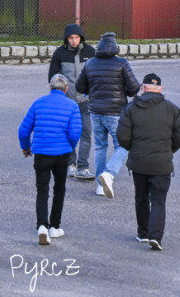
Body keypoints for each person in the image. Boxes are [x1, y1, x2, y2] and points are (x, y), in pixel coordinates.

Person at [117, 73, 180, 251]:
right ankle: (156, 236)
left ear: (143, 88)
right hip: (162, 163)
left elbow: (122, 137)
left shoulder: (131, 108)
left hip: (138, 162)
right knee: (158, 200)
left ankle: (143, 233)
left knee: (141, 198)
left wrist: (133, 149)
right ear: (160, 90)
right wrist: (169, 149)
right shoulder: (172, 109)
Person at [18, 74, 81, 245]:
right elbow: (75, 133)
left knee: (42, 189)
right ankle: (54, 227)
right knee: (59, 189)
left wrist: (26, 147)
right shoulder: (72, 106)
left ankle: (42, 227)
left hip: (41, 153)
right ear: (66, 89)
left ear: (50, 87)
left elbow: (23, 130)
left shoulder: (38, 103)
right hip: (62, 154)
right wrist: (69, 146)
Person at [76, 32, 140, 198]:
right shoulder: (121, 63)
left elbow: (80, 87)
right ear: (115, 47)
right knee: (124, 145)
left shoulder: (90, 63)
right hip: (116, 111)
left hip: (95, 111)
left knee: (100, 147)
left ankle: (100, 186)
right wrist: (122, 90)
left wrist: (94, 89)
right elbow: (134, 89)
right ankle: (109, 174)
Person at [48, 23, 96, 180]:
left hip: (86, 101)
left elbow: (96, 75)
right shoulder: (59, 53)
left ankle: (83, 167)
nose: (74, 41)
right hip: (67, 103)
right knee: (69, 134)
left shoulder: (90, 52)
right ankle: (71, 164)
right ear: (66, 39)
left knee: (86, 133)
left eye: (76, 38)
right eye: (71, 38)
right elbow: (53, 78)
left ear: (81, 37)